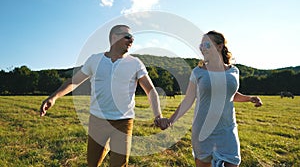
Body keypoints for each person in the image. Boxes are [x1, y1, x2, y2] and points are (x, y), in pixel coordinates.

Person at [40, 24, 163, 167]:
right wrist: (54, 97)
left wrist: (158, 115)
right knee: (93, 163)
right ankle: (106, 147)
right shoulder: (94, 60)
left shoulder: (136, 63)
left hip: (123, 122)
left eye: (133, 38)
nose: (132, 40)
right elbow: (74, 82)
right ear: (114, 37)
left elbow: (151, 90)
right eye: (128, 37)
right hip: (97, 121)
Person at [155, 31, 262, 167]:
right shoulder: (198, 72)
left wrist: (250, 98)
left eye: (206, 44)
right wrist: (170, 121)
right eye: (201, 45)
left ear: (220, 46)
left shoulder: (233, 71)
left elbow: (230, 94)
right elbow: (188, 100)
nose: (202, 48)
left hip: (227, 130)